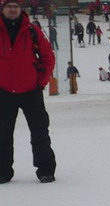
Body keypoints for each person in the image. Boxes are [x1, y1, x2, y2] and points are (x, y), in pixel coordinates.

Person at [0, 0, 56, 184]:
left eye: (15, 6)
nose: (12, 9)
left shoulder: (33, 30)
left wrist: (41, 82)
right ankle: (3, 171)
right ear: (3, 9)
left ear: (20, 9)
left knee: (40, 132)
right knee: (3, 134)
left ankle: (45, 170)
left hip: (31, 90)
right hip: (4, 91)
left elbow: (48, 56)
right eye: (9, 6)